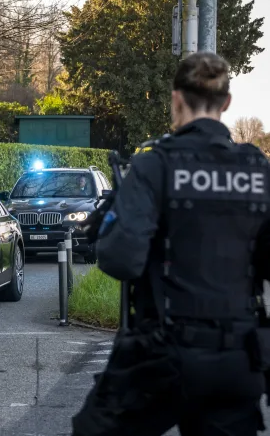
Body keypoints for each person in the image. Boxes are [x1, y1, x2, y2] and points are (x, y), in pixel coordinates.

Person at [71, 51, 270, 436]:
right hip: (238, 357)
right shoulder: (257, 168)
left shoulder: (155, 164)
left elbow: (121, 261)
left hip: (163, 354)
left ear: (176, 98)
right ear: (226, 103)